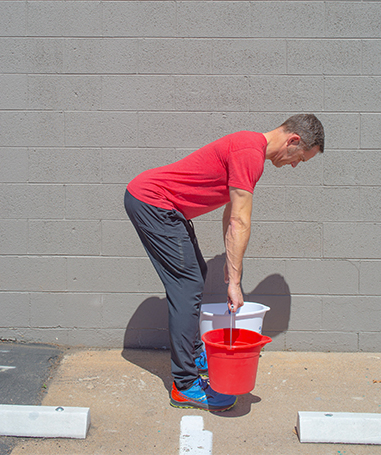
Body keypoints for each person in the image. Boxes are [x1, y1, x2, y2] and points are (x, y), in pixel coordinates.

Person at [124, 114, 324, 412]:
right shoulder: (249, 154)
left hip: (165, 206)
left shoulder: (249, 150)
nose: (295, 165)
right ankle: (185, 385)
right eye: (300, 159)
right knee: (187, 287)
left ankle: (192, 354)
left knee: (195, 276)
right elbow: (240, 221)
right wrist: (234, 282)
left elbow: (230, 217)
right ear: (293, 140)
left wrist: (231, 272)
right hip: (154, 202)